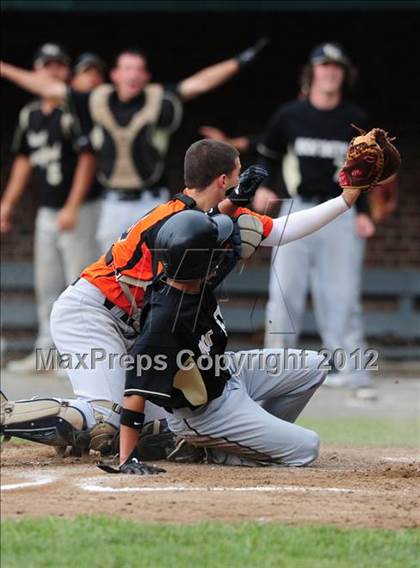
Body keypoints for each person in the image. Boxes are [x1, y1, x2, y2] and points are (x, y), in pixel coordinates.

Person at [1, 140, 269, 456]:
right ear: (221, 178)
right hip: (92, 311)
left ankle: (76, 437)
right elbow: (191, 225)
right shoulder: (173, 215)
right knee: (107, 415)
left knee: (167, 423)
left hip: (124, 323)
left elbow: (202, 223)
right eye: (233, 178)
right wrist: (232, 205)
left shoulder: (192, 218)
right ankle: (8, 415)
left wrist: (343, 200)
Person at [111, 195, 365, 474]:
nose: (222, 249)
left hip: (229, 372)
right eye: (215, 248)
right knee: (306, 448)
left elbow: (199, 241)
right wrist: (128, 458)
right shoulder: (166, 319)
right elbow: (135, 390)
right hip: (204, 412)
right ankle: (224, 451)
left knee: (315, 366)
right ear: (203, 263)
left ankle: (251, 437)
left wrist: (231, 204)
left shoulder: (188, 277)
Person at [204, 43, 377, 394]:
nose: (330, 73)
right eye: (324, 67)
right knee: (284, 293)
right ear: (311, 73)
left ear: (343, 75)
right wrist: (264, 187)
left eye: (336, 68)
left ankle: (353, 373)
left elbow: (366, 172)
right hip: (298, 208)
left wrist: (364, 212)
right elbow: (268, 154)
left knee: (342, 295)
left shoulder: (355, 117)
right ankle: (275, 371)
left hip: (340, 211)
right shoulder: (290, 115)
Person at [1, 39, 268, 252]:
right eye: (127, 68)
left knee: (155, 271)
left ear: (146, 76)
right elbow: (49, 89)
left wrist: (239, 61)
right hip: (112, 202)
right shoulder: (97, 100)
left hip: (150, 200)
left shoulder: (157, 99)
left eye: (139, 69)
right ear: (115, 74)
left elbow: (197, 84)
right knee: (112, 273)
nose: (133, 74)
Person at [0, 43, 102, 372]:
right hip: (46, 209)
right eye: (47, 66)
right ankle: (47, 352)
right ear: (36, 70)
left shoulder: (74, 106)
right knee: (47, 284)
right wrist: (7, 203)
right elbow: (23, 161)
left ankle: (78, 358)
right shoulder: (30, 113)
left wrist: (72, 206)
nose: (53, 72)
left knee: (79, 283)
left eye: (60, 66)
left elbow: (88, 159)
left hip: (80, 207)